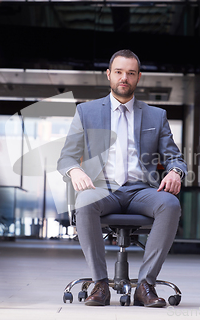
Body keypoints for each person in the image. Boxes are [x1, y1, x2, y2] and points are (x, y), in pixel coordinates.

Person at [58, 49, 187, 308]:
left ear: (138, 77)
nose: (124, 78)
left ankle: (145, 285)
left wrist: (176, 171)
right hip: (102, 188)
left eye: (130, 73)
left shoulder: (156, 116)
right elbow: (66, 158)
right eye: (118, 72)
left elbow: (174, 156)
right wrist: (75, 170)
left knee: (170, 204)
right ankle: (100, 284)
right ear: (109, 75)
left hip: (142, 190)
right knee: (84, 202)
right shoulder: (86, 112)